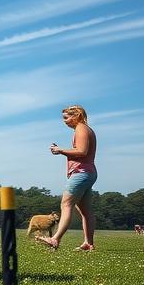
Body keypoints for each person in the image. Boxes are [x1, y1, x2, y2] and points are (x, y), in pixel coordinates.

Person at [39, 105, 98, 250]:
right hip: (88, 173)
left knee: (66, 205)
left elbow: (82, 151)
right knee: (85, 212)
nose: (64, 121)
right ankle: (88, 243)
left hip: (81, 174)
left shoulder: (81, 128)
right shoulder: (84, 129)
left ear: (76, 115)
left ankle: (55, 239)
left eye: (66, 117)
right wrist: (63, 150)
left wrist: (60, 150)